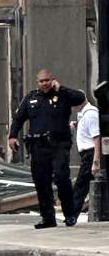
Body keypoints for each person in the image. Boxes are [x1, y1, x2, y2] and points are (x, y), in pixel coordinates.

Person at [9, 69, 86, 228]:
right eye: (41, 81)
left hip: (59, 145)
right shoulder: (31, 98)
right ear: (38, 82)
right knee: (41, 181)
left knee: (61, 177)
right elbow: (18, 119)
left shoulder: (63, 96)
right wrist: (12, 136)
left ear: (53, 80)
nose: (44, 83)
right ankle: (48, 218)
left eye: (47, 80)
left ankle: (69, 214)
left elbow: (80, 98)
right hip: (38, 146)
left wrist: (61, 88)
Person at [73, 98, 101, 215]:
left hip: (90, 154)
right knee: (81, 186)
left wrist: (96, 161)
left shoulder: (90, 114)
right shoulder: (84, 114)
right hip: (86, 155)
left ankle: (71, 214)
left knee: (80, 186)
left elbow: (97, 138)